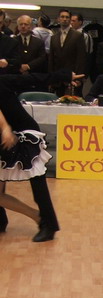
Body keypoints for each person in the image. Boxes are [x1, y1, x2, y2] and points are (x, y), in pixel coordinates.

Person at [0, 79, 59, 241]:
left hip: (25, 133)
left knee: (37, 183)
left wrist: (5, 129)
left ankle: (49, 223)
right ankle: (5, 220)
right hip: (7, 134)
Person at [48, 9, 86, 97]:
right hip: (57, 78)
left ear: (70, 19)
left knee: (73, 101)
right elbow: (51, 59)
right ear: (58, 19)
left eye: (67, 17)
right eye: (62, 17)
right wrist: (50, 77)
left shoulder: (78, 36)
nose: (64, 19)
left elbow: (81, 58)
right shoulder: (54, 37)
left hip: (72, 77)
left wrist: (79, 78)